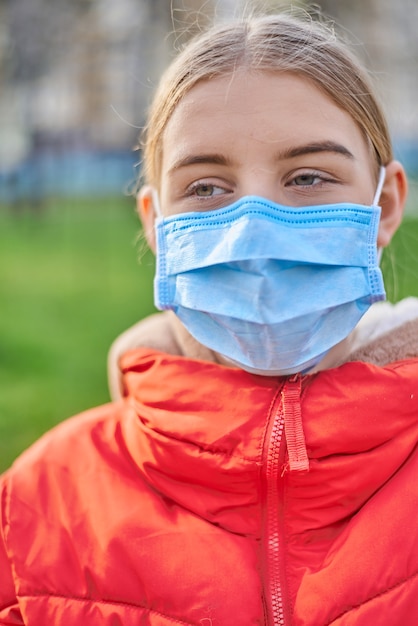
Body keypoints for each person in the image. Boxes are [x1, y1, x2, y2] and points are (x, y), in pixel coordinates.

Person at [1, 10, 418, 626]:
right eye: (206, 188)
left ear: (383, 206)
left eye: (307, 177)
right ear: (155, 224)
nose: (253, 227)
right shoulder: (37, 506)